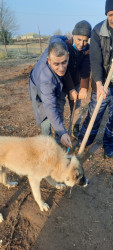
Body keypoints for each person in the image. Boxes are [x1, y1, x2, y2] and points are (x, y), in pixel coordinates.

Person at [78, 0, 113, 158]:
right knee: (95, 113)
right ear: (106, 14)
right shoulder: (98, 31)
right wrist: (99, 84)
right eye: (111, 14)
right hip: (102, 82)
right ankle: (83, 141)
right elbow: (95, 60)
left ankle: (109, 145)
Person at [29, 37, 76, 148]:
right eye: (56, 64)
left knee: (57, 112)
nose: (61, 68)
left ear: (68, 56)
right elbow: (50, 108)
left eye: (64, 62)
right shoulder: (46, 80)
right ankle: (47, 146)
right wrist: (63, 133)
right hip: (38, 87)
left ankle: (58, 139)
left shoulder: (58, 43)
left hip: (55, 83)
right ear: (48, 60)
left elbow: (55, 38)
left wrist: (69, 39)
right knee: (45, 118)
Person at [65, 20, 92, 139]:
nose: (82, 43)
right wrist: (70, 89)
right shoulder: (66, 47)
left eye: (85, 40)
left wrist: (84, 88)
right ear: (73, 36)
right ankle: (60, 133)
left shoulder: (88, 49)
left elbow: (86, 69)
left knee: (76, 106)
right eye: (79, 39)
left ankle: (74, 129)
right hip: (62, 82)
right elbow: (64, 71)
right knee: (59, 106)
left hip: (76, 82)